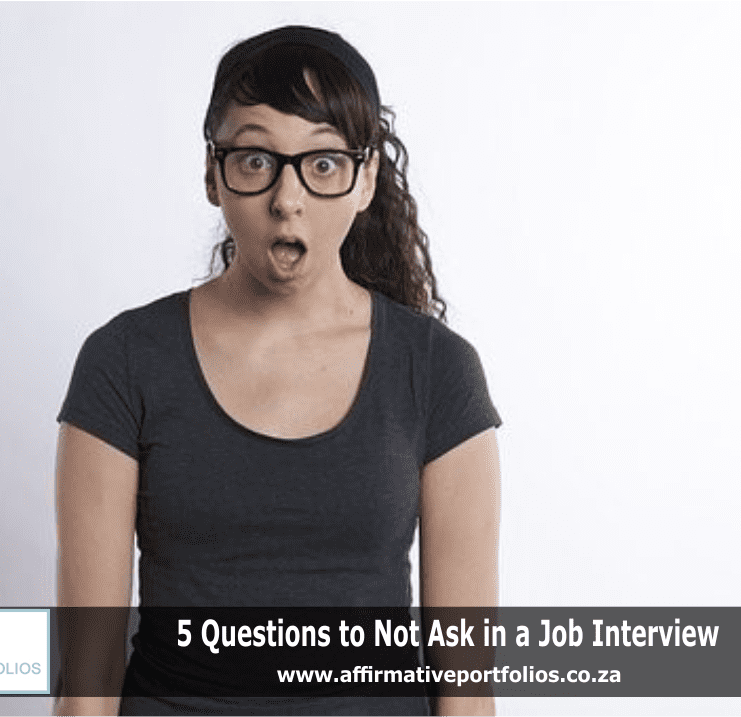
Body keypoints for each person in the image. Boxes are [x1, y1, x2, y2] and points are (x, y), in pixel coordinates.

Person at [53, 25, 501, 717]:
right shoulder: (124, 362)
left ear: (366, 179)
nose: (287, 199)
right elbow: (87, 681)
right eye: (257, 159)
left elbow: (466, 688)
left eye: (323, 164)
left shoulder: (438, 370)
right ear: (213, 173)